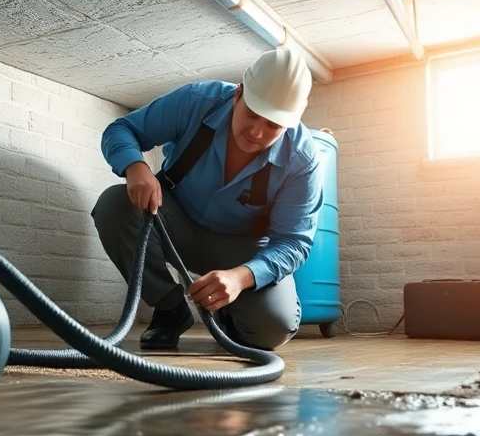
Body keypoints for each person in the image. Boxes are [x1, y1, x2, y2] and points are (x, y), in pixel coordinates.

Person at [92, 47, 325, 351]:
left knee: (272, 328)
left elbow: (294, 242)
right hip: (176, 224)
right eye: (252, 114)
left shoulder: (303, 160)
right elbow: (122, 129)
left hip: (243, 251)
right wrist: (135, 167)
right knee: (115, 205)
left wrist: (241, 278)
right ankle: (169, 309)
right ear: (238, 94)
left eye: (273, 125)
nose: (256, 132)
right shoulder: (197, 101)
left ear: (291, 123)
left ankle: (228, 318)